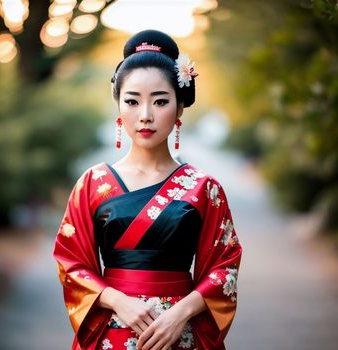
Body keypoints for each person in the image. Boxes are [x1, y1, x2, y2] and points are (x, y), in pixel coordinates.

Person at [53, 29, 242, 350]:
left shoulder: (204, 188)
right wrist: (116, 300)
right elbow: (71, 263)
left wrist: (179, 313)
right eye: (132, 101)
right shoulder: (92, 184)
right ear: (119, 108)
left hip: (181, 334)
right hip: (111, 331)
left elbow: (224, 268)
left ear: (180, 107)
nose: (145, 115)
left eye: (160, 101)